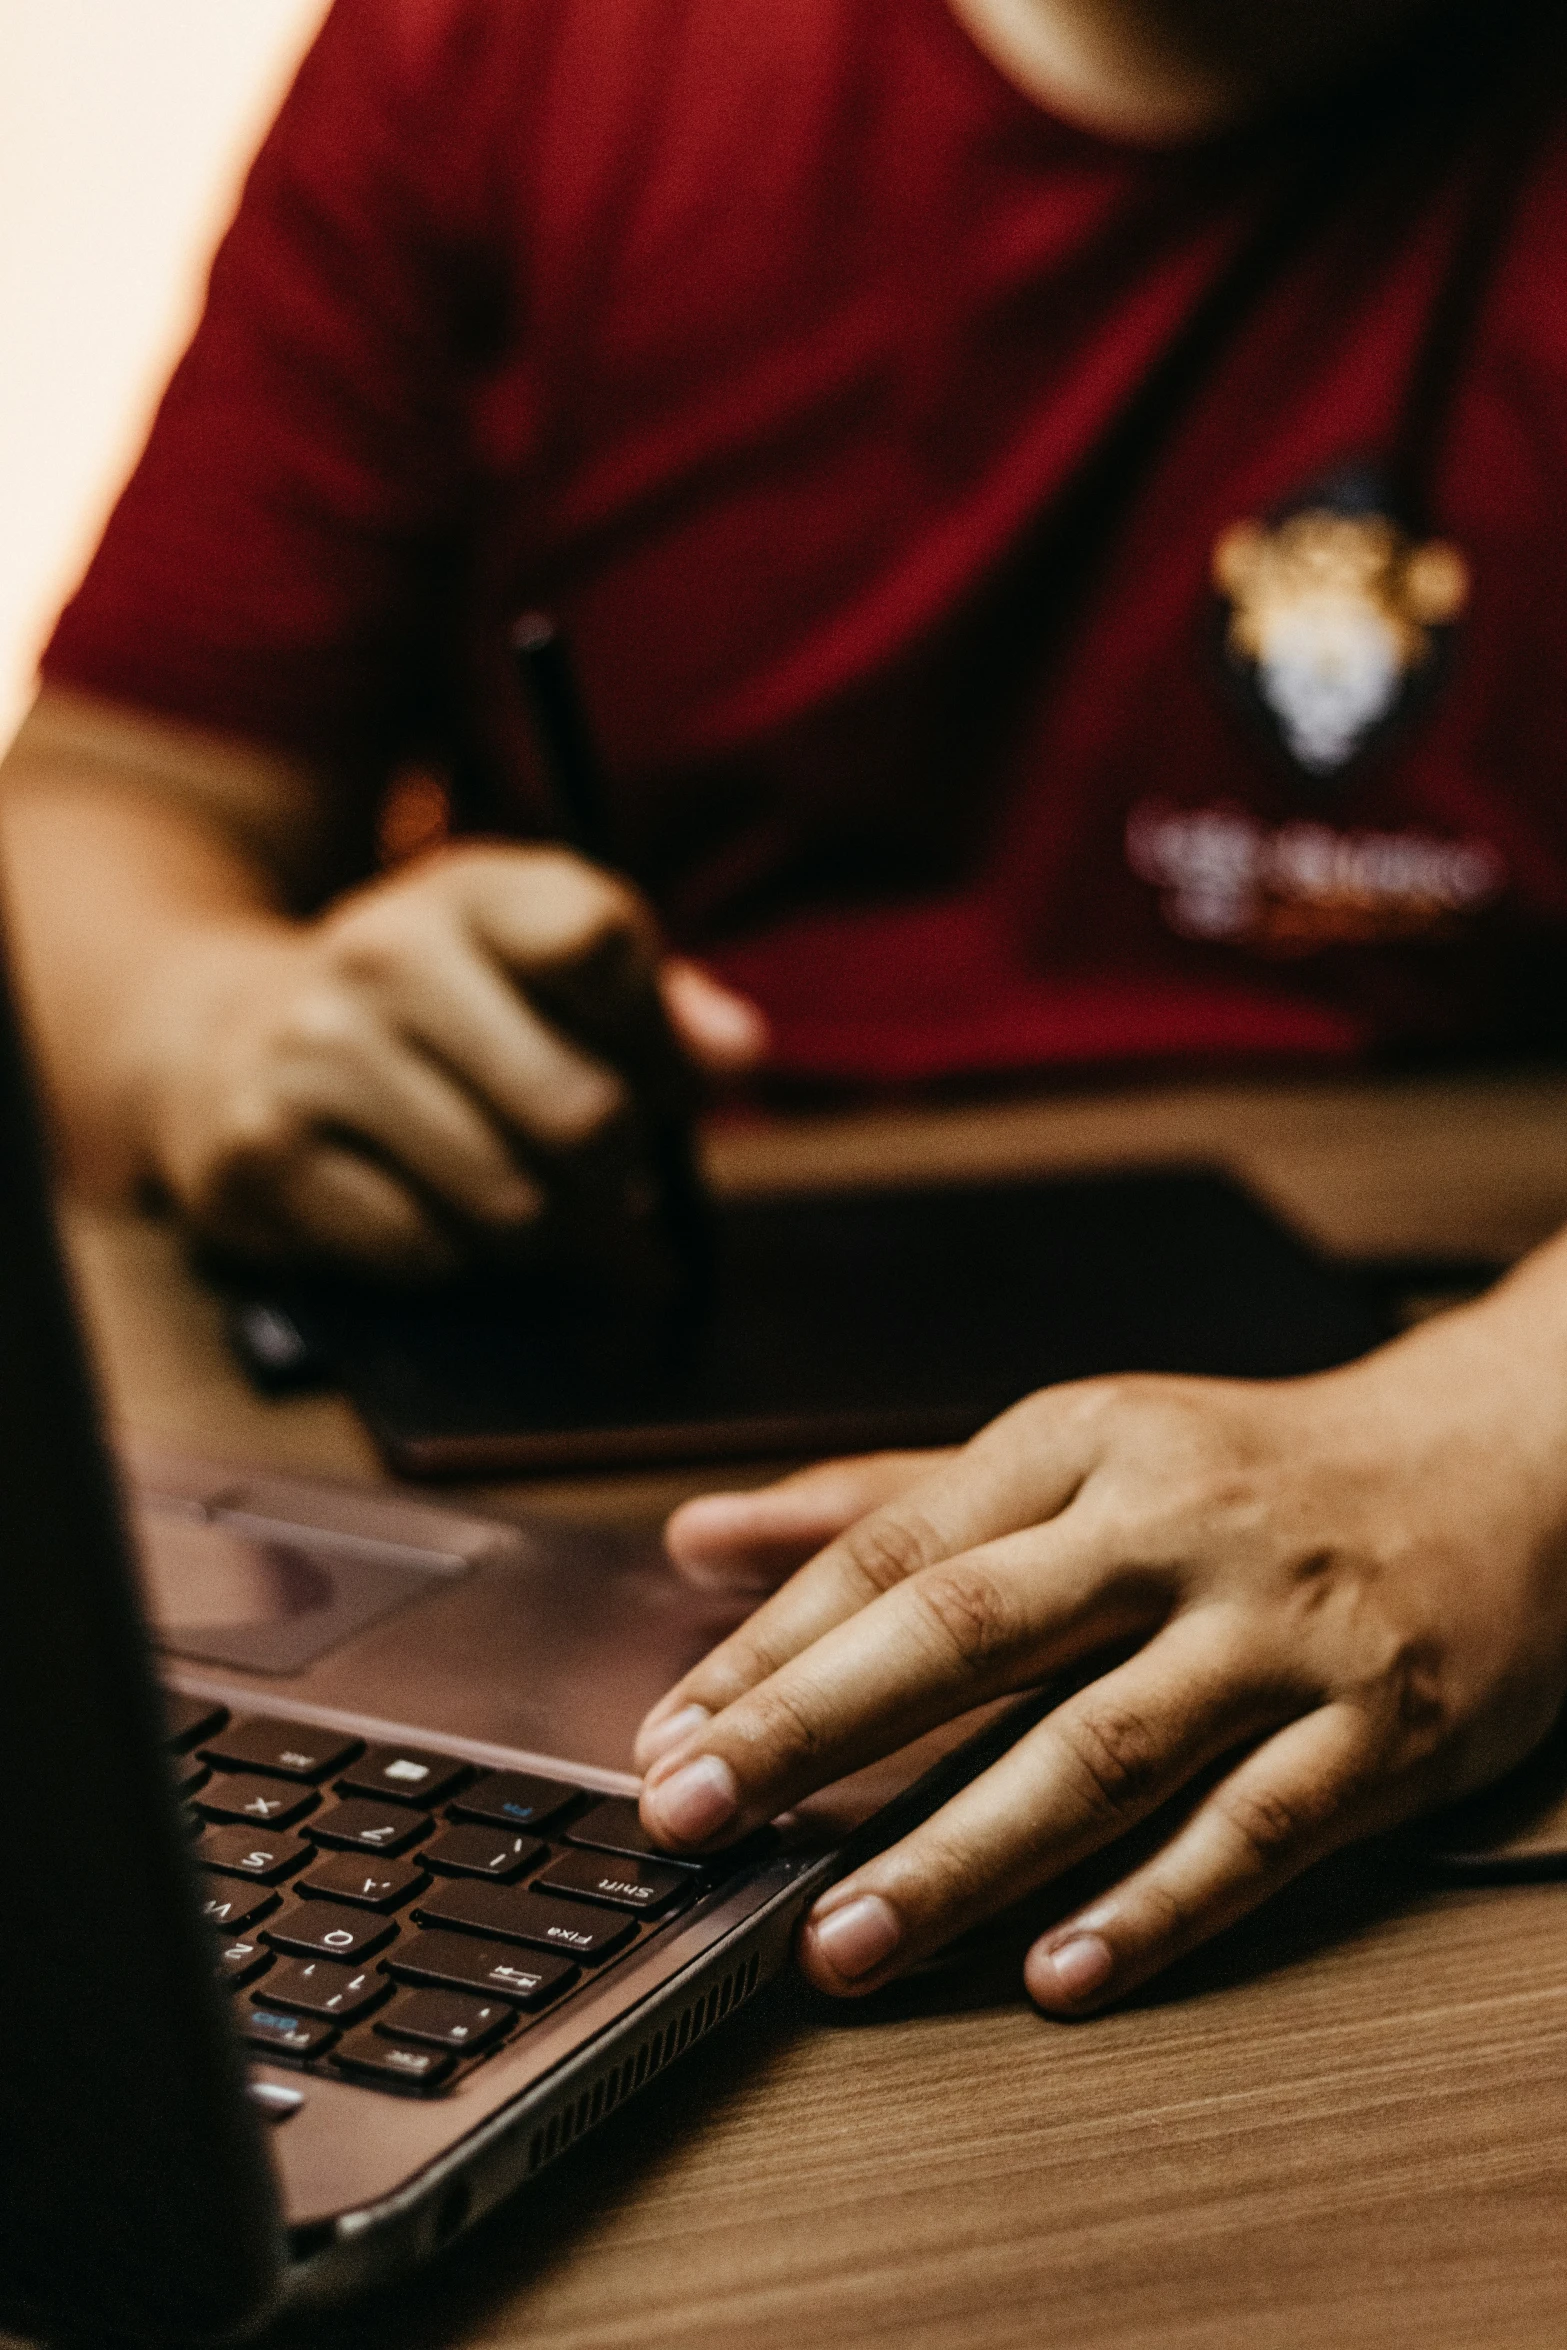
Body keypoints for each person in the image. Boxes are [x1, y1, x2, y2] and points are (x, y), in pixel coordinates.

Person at [3, 0, 1567, 2015]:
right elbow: (110, 805)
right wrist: (206, 1021)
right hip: (582, 1577)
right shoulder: (510, 50)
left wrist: (1512, 1444)